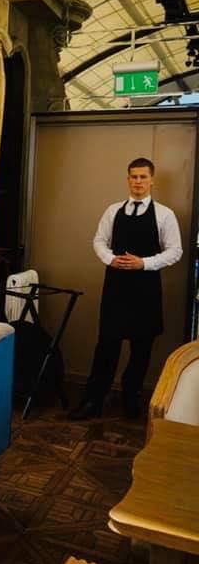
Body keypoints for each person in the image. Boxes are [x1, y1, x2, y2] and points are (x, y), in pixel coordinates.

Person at [68, 157, 182, 420]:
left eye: (143, 177)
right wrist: (110, 259)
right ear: (128, 179)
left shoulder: (165, 214)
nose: (138, 181)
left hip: (146, 289)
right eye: (133, 176)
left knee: (141, 349)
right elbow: (99, 240)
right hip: (116, 288)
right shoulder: (112, 211)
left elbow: (175, 250)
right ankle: (93, 401)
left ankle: (131, 400)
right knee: (106, 345)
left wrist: (144, 263)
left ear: (152, 180)